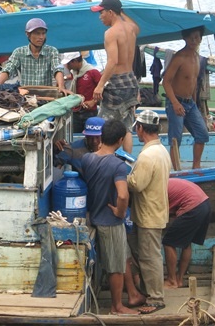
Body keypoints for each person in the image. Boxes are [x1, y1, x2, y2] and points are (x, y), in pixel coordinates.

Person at [77, 119, 143, 315]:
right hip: (110, 221)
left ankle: (129, 296)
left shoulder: (88, 159)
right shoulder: (118, 165)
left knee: (120, 260)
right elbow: (123, 194)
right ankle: (117, 306)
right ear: (121, 140)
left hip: (94, 215)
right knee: (115, 267)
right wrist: (120, 212)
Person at [127, 109, 172, 314]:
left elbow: (136, 185)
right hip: (157, 210)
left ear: (140, 128)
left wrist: (122, 176)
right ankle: (148, 292)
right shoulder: (162, 151)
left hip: (148, 214)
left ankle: (155, 299)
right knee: (148, 255)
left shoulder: (147, 155)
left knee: (150, 257)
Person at [91, 0, 140, 152]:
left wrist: (99, 86)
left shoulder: (110, 33)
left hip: (117, 83)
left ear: (110, 12)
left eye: (102, 12)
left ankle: (103, 159)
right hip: (131, 81)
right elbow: (136, 26)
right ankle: (127, 163)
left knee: (102, 125)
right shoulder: (132, 28)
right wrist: (121, 12)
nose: (100, 17)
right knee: (126, 128)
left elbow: (113, 62)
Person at [162, 26, 209, 169]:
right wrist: (175, 103)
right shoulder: (179, 57)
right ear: (185, 38)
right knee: (176, 139)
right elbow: (166, 82)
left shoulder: (197, 58)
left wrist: (195, 103)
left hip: (191, 103)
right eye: (190, 37)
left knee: (202, 134)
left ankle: (196, 167)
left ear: (201, 38)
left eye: (196, 37)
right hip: (176, 101)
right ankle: (176, 170)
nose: (193, 40)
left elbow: (193, 82)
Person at [0, 18, 67, 93]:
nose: (41, 37)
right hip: (26, 96)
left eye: (43, 33)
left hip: (46, 96)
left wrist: (61, 86)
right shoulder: (19, 52)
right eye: (37, 33)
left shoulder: (52, 51)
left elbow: (57, 68)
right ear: (28, 34)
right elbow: (8, 69)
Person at [163, 178, 212, 289]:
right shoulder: (167, 182)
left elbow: (161, 214)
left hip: (193, 206)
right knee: (186, 242)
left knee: (168, 243)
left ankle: (171, 281)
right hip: (205, 204)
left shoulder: (157, 189)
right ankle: (179, 279)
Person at [61, 51, 101, 133]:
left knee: (91, 135)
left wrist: (93, 101)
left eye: (69, 64)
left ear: (75, 61)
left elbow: (103, 88)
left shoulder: (92, 72)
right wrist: (63, 79)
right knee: (74, 134)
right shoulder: (75, 72)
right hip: (75, 111)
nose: (67, 66)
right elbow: (73, 77)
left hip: (89, 112)